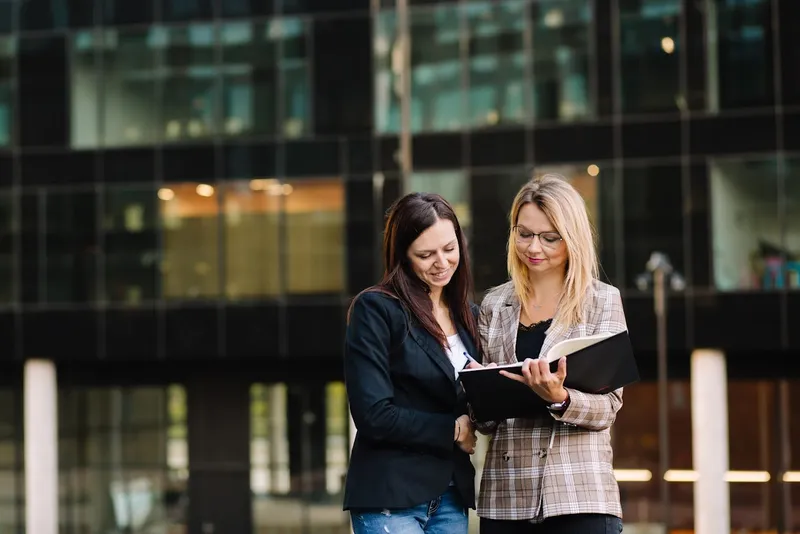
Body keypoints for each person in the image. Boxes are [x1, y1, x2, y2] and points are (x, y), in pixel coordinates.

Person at [473, 174, 628, 534]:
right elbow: (483, 422)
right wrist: (485, 391)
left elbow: (609, 408)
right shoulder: (495, 304)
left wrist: (559, 398)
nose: (534, 248)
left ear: (571, 238)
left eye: (549, 238)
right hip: (506, 498)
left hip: (579, 495)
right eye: (524, 234)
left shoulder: (602, 301)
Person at [343, 192, 483, 534]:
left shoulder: (470, 317)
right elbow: (374, 414)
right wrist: (451, 429)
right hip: (390, 494)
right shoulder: (376, 309)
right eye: (425, 254)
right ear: (403, 255)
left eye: (449, 249)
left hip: (451, 493)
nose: (442, 262)